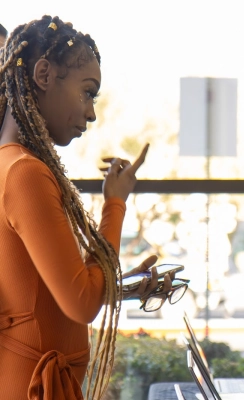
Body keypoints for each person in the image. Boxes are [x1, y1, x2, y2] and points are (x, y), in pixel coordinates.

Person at [0, 16, 170, 399]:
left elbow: (40, 294)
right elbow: (80, 303)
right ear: (44, 74)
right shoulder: (25, 173)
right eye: (87, 92)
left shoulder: (13, 164)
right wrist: (115, 203)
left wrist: (121, 285)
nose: (91, 113)